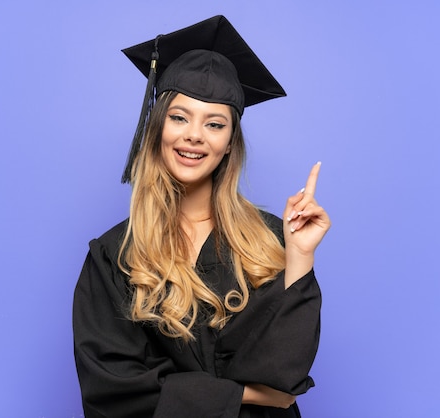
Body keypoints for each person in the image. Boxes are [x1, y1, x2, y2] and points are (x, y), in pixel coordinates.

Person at [73, 15, 331, 418]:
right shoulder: (114, 256)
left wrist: (300, 257)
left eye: (214, 124)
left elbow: (285, 377)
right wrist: (243, 394)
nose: (194, 135)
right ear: (158, 128)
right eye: (179, 117)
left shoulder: (271, 240)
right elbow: (113, 390)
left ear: (229, 143)